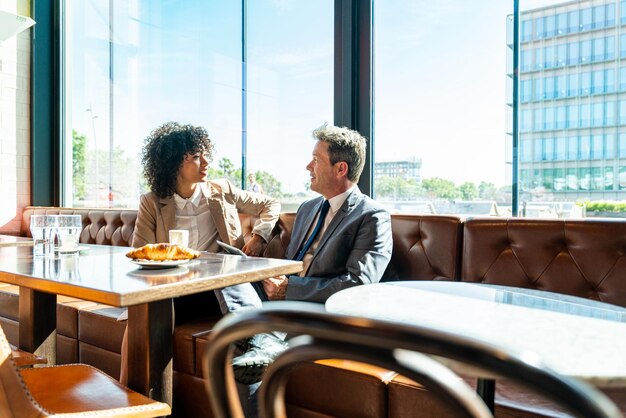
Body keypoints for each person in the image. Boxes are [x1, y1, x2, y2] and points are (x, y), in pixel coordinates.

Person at [121, 122, 286, 388]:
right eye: (196, 157)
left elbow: (270, 204)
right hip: (176, 291)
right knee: (146, 311)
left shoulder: (220, 191)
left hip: (219, 288)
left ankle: (260, 341)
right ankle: (133, 399)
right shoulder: (152, 202)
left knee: (225, 274)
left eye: (205, 154)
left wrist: (259, 236)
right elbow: (140, 254)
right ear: (174, 164)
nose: (206, 162)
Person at [232, 123, 393, 383]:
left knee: (242, 349)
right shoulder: (308, 208)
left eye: (316, 160)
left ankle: (258, 337)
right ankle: (259, 336)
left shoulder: (372, 216)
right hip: (283, 299)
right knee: (229, 279)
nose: (308, 167)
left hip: (318, 310)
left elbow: (358, 284)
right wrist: (265, 274)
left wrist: (289, 289)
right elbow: (292, 263)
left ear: (341, 169)